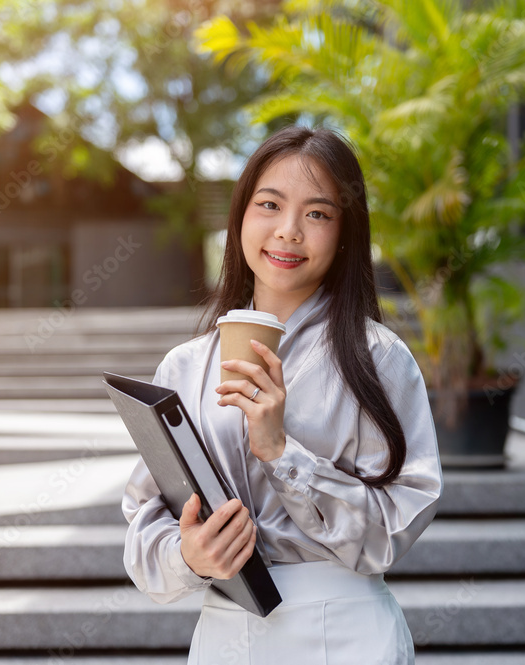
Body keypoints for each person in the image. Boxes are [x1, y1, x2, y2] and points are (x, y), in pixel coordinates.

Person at [121, 125, 443, 664]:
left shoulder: (377, 359)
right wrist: (191, 555)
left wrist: (282, 452)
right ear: (241, 216)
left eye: (317, 214)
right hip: (226, 632)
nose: (288, 231)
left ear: (345, 233)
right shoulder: (184, 366)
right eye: (269, 204)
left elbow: (394, 527)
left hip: (346, 634)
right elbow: (144, 520)